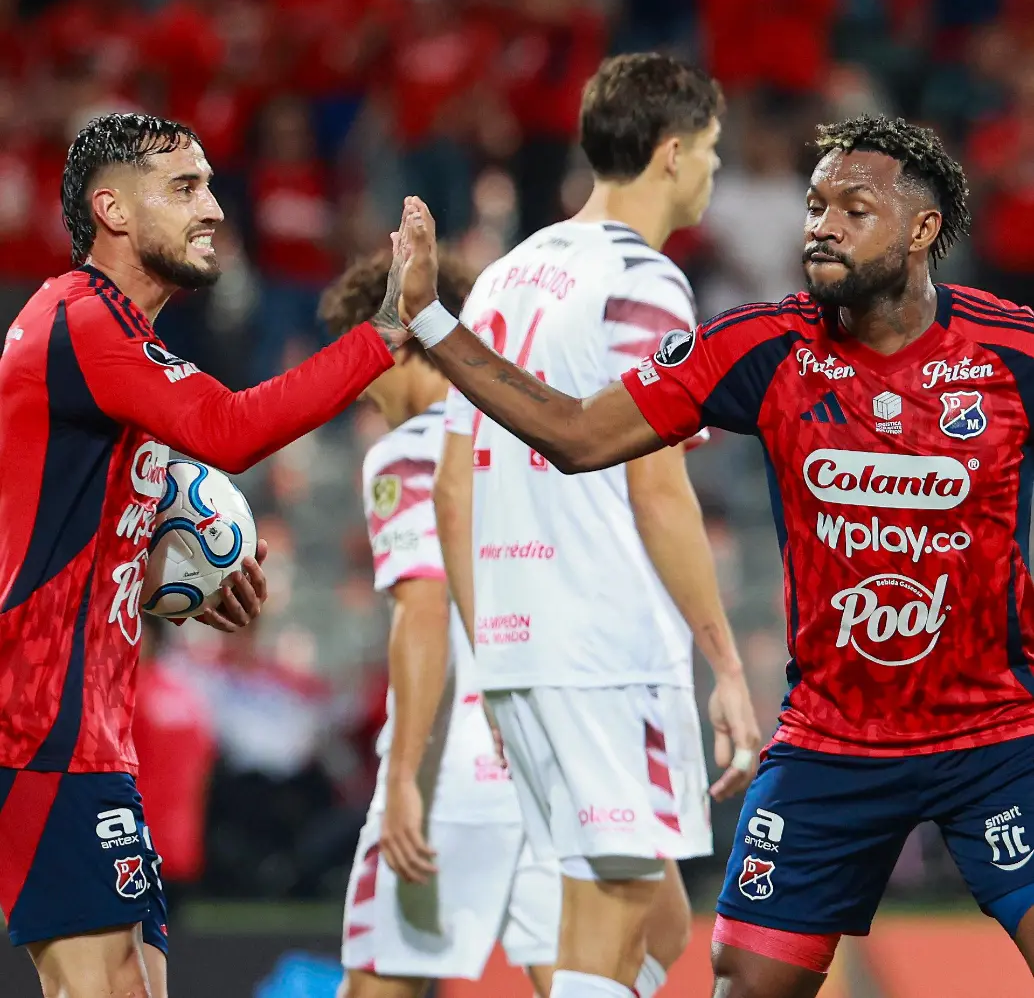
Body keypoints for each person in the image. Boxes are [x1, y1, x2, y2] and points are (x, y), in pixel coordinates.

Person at [394, 109, 1034, 997]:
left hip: (999, 737)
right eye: (815, 205)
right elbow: (578, 435)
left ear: (923, 229)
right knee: (742, 981)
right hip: (831, 744)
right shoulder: (766, 345)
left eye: (855, 208)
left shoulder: (1011, 352)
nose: (822, 224)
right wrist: (429, 320)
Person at [0, 113, 404, 998]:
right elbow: (228, 429)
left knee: (137, 987)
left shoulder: (118, 341)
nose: (214, 208)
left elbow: (54, 526)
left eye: (211, 186)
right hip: (40, 721)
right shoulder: (77, 320)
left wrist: (163, 574)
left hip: (94, 726)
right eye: (185, 188)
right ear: (110, 208)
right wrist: (383, 337)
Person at [428, 53, 762, 998]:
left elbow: (454, 490)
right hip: (605, 644)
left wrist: (489, 650)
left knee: (655, 918)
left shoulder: (502, 276)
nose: (713, 171)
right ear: (668, 154)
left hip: (520, 643)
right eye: (709, 151)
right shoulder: (642, 282)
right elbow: (659, 491)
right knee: (610, 915)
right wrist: (726, 663)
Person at [319, 251, 560, 998]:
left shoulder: (409, 451)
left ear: (394, 340)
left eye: (360, 357)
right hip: (547, 760)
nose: (357, 387)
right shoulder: (535, 443)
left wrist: (402, 783)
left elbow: (424, 609)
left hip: (452, 767)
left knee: (377, 986)